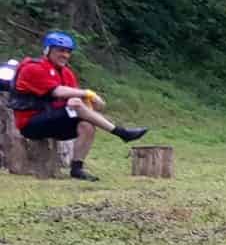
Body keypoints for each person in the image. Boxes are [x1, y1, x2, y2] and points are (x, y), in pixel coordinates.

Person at [8, 32, 147, 180]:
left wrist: (92, 102)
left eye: (68, 52)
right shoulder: (33, 68)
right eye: (60, 50)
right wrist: (87, 93)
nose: (65, 55)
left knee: (87, 124)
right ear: (47, 50)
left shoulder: (66, 73)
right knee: (77, 105)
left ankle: (77, 168)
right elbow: (57, 91)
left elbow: (75, 99)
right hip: (31, 123)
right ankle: (121, 132)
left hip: (53, 120)